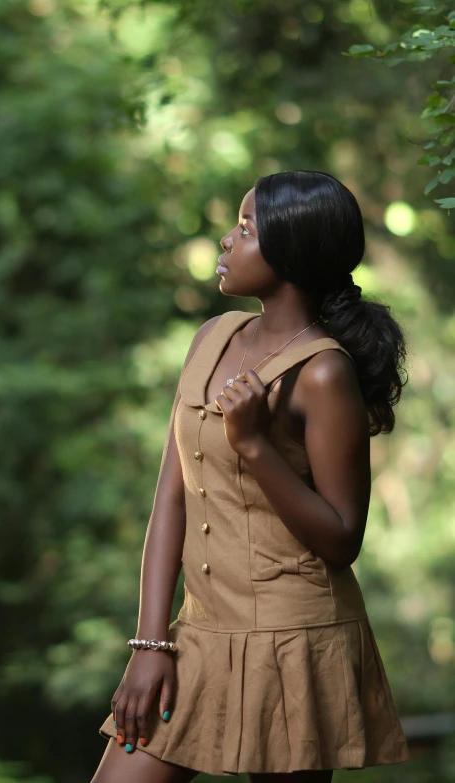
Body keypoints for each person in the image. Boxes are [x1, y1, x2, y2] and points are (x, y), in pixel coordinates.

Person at [90, 171, 410, 783]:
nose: (225, 242)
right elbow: (171, 501)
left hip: (295, 641)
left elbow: (343, 538)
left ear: (290, 251)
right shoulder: (211, 339)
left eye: (245, 229)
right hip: (198, 635)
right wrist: (150, 644)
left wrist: (257, 447)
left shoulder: (322, 374)